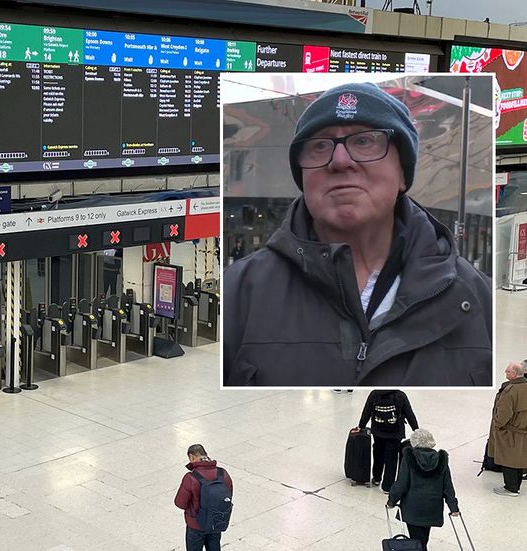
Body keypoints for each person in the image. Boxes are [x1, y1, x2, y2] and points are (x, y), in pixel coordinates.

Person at [223, 81, 492, 386]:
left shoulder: (475, 298)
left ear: (403, 173)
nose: (340, 161)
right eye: (320, 145)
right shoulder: (239, 293)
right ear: (303, 176)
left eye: (365, 141)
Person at [386, 428, 459, 551]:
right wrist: (453, 507)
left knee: (417, 541)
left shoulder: (409, 459)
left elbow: (401, 484)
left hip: (412, 507)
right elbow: (448, 486)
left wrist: (391, 501)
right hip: (432, 507)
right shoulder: (441, 460)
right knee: (423, 539)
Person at [353, 389, 419, 492]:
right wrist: (416, 429)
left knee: (378, 454)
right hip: (395, 432)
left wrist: (361, 426)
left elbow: (367, 411)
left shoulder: (375, 394)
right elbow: (409, 413)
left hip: (378, 431)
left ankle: (376, 478)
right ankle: (387, 486)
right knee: (391, 458)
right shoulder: (400, 395)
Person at [174, 444, 233, 551]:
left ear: (192, 457)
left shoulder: (191, 478)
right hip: (216, 521)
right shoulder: (223, 473)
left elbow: (180, 503)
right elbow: (229, 495)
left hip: (196, 524)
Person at [490, 360, 527, 497]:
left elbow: (504, 413)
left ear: (516, 374)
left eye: (508, 371)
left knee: (508, 459)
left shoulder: (510, 390)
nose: (505, 372)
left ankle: (511, 488)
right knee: (518, 458)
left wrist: (497, 425)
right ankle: (516, 485)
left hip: (509, 431)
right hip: (522, 429)